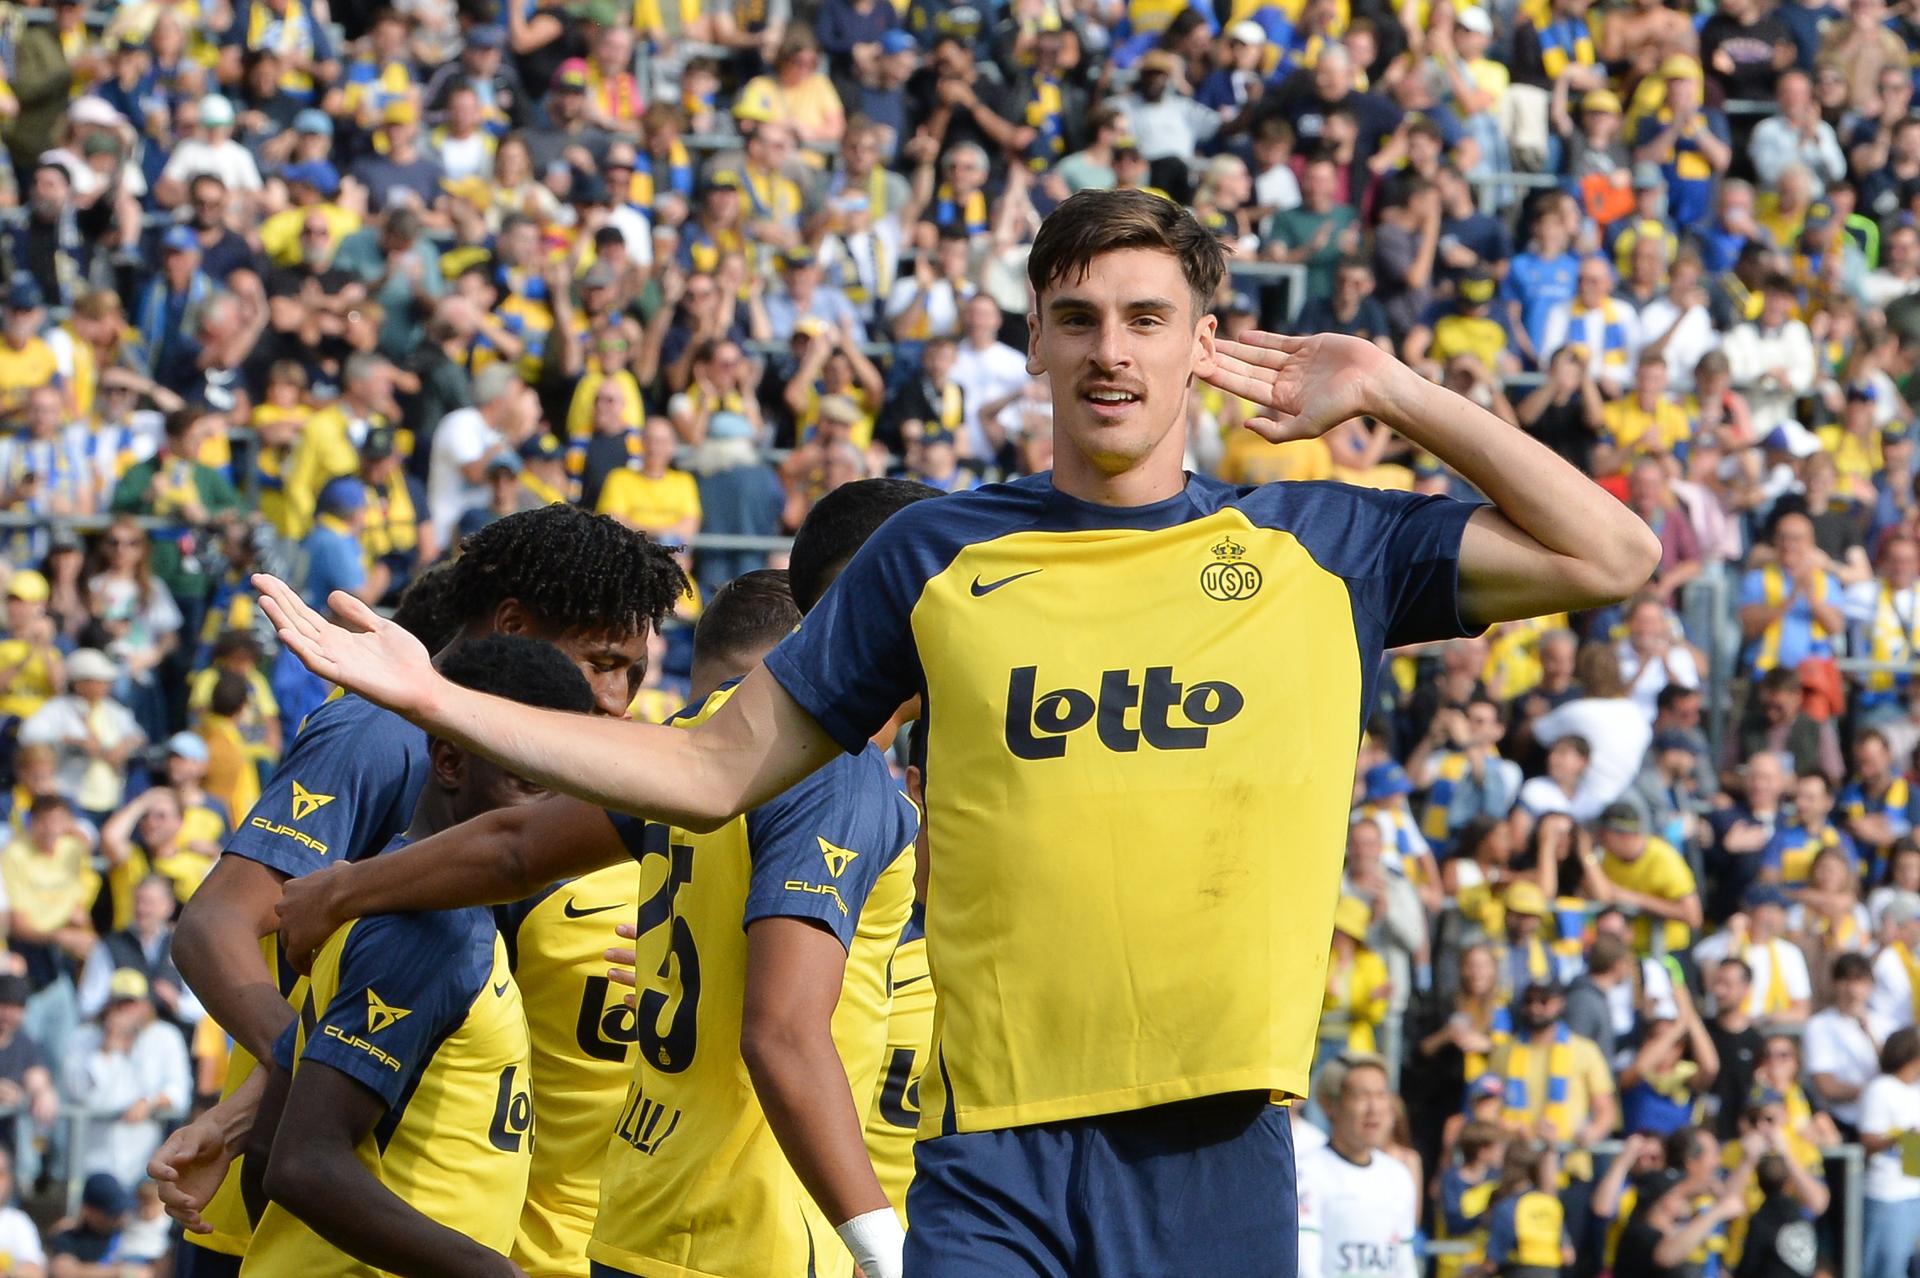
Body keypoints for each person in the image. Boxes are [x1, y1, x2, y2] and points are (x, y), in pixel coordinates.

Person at [255, 187, 1660, 1278]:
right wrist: (440, 694)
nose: (1112, 349)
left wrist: (1396, 391)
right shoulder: (938, 552)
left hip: (1218, 1137)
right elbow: (705, 768)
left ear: (1202, 342)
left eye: (1147, 316)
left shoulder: (1320, 542)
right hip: (990, 1151)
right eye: (1080, 316)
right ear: (1035, 340)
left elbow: (1610, 555)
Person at [267, 481, 938, 1278]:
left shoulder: (705, 737)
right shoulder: (843, 768)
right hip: (759, 1235)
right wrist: (885, 1250)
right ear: (894, 600)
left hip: (638, 1221)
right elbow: (783, 1034)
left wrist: (342, 889)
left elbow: (517, 846)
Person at [154, 506, 685, 1278]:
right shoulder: (386, 733)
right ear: (511, 625)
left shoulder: (543, 771)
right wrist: (287, 1081)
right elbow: (214, 927)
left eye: (633, 673)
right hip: (297, 1219)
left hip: (415, 1216)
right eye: (599, 661)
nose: (616, 698)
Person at [238, 637, 592, 1278]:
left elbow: (263, 1148)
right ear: (451, 762)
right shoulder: (429, 928)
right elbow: (300, 1162)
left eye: (566, 790)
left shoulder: (431, 906)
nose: (551, 819)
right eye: (529, 783)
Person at [1296, 1053, 1418, 1278]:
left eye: (1381, 1095)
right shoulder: (1307, 1173)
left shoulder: (1398, 1176)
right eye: (1361, 1096)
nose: (1374, 1108)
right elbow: (1306, 1267)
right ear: (1328, 1104)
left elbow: (1405, 1264)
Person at [1860, 1025, 1920, 1278]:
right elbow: (1868, 1139)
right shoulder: (1880, 1089)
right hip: (1888, 1195)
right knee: (1887, 1270)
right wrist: (1902, 1139)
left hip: (1914, 1191)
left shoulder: (1915, 1090)